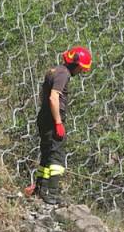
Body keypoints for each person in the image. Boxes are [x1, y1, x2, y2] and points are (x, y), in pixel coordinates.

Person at [25, 46, 92, 205]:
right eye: (81, 69)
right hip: (53, 119)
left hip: (45, 116)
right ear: (76, 64)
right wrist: (58, 122)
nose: (81, 72)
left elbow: (43, 94)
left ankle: (40, 188)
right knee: (56, 156)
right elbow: (53, 97)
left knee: (47, 154)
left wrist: (46, 113)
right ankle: (51, 193)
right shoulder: (64, 74)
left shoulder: (53, 70)